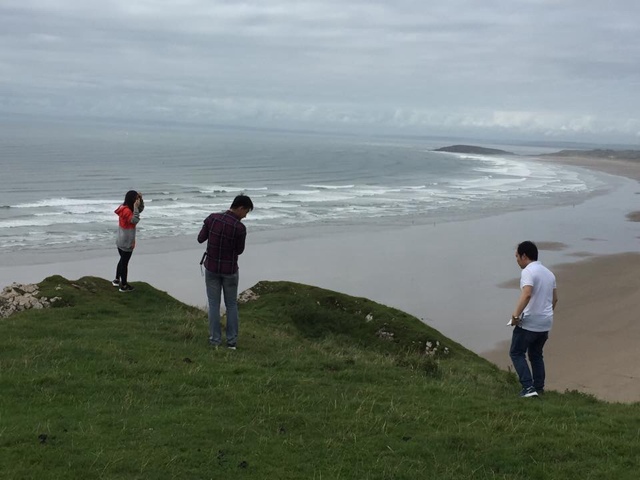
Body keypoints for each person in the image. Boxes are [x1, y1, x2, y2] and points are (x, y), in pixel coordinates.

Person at [197, 194, 253, 349]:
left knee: (214, 305)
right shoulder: (240, 228)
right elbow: (239, 250)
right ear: (240, 208)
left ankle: (215, 340)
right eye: (246, 212)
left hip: (212, 268)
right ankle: (231, 342)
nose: (245, 216)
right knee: (231, 305)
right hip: (230, 270)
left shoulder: (212, 218)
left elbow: (200, 239)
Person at [509, 241, 558, 398]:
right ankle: (539, 388)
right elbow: (555, 299)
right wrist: (545, 315)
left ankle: (528, 388)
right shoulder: (549, 273)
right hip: (546, 322)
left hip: (530, 322)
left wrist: (515, 316)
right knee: (536, 354)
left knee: (516, 352)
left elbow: (527, 294)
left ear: (524, 256)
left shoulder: (528, 272)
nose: (517, 260)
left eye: (517, 256)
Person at [113, 190, 144, 292]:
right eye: (136, 198)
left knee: (122, 260)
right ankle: (124, 285)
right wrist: (135, 207)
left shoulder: (124, 207)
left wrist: (140, 200)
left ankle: (116, 280)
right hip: (126, 241)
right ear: (132, 199)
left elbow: (139, 211)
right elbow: (135, 220)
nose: (137, 200)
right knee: (124, 263)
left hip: (121, 239)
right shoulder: (127, 211)